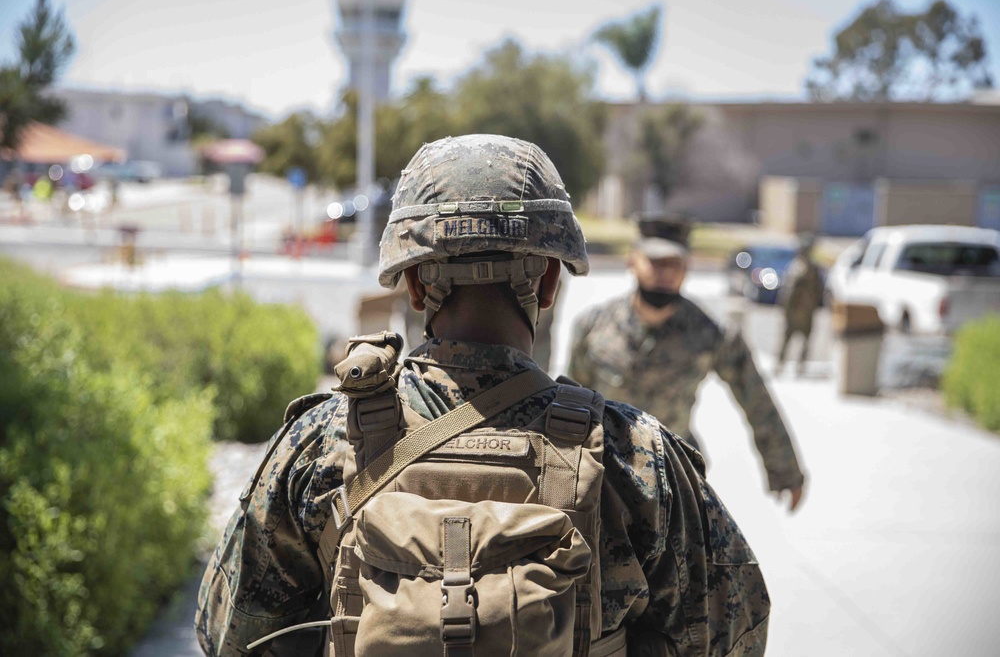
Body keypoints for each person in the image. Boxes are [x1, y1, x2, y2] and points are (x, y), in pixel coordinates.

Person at [196, 135, 769, 656]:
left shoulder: (319, 444)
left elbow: (227, 633)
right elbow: (734, 633)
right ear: (548, 283)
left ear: (416, 284)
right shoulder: (635, 457)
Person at [568, 217, 806, 512]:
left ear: (687, 268)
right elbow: (572, 405)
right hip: (605, 476)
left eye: (674, 263)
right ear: (633, 261)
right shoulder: (594, 327)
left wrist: (785, 471)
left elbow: (756, 400)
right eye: (655, 261)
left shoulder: (710, 333)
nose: (664, 273)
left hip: (675, 479)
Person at [776, 235, 825, 377]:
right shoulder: (796, 268)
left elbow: (819, 291)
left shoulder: (810, 269)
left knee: (803, 340)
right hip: (795, 311)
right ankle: (781, 364)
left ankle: (799, 366)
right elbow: (788, 293)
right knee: (787, 339)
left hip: (805, 311)